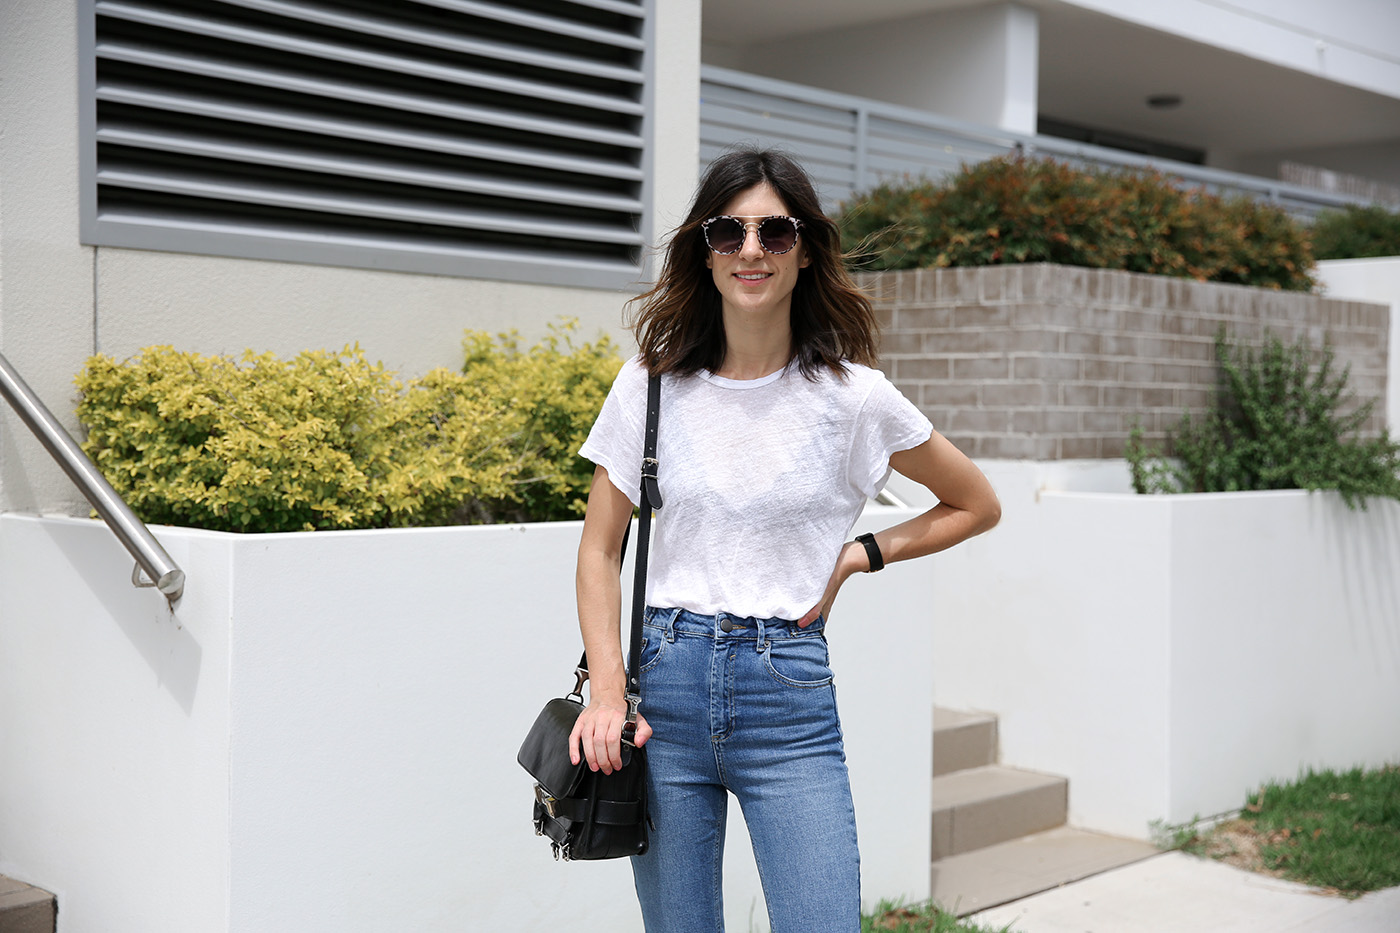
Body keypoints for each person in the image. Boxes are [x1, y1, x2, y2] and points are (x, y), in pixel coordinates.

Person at [569, 148, 1001, 932]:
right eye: (728, 231)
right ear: (704, 250)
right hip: (662, 686)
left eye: (775, 230)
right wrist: (606, 692)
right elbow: (600, 549)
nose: (751, 250)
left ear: (807, 249)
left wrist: (859, 555)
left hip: (786, 696)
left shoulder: (853, 398)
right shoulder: (651, 383)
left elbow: (973, 501)